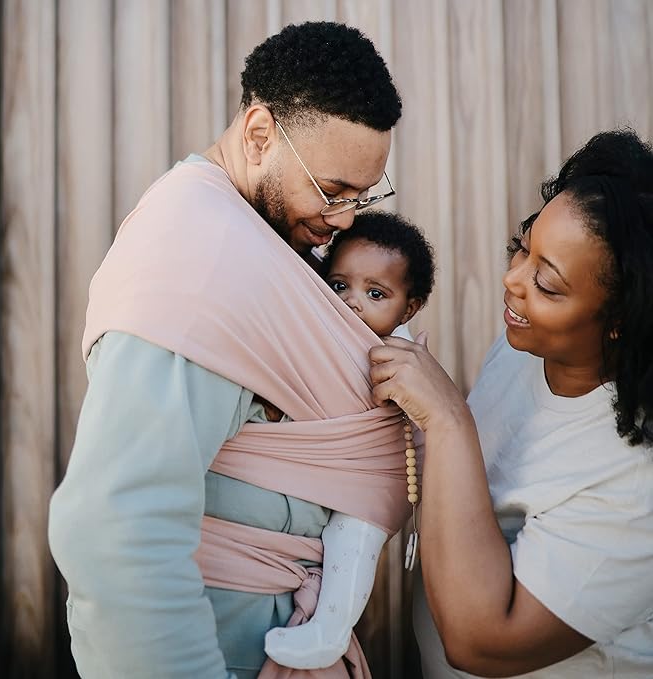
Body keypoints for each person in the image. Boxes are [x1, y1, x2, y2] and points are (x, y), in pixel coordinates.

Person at [48, 21, 411, 679]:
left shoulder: (248, 235)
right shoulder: (202, 252)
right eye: (331, 192)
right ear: (259, 134)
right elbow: (119, 530)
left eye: (362, 197)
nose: (344, 220)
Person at [368, 128, 653, 678]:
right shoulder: (529, 343)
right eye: (524, 247)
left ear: (620, 321)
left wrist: (447, 419)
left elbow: (481, 643)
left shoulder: (636, 486)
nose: (511, 279)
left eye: (546, 283)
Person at [264, 211, 436, 670]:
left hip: (379, 479)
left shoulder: (399, 350)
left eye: (375, 294)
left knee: (352, 540)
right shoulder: (321, 329)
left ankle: (331, 630)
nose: (352, 302)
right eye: (339, 285)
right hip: (329, 469)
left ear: (409, 308)